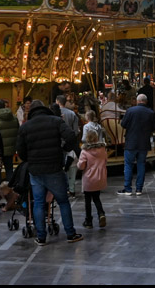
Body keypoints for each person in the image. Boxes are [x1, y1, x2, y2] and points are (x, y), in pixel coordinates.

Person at [17, 100, 83, 245]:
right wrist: (64, 149)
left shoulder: (25, 127)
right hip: (54, 168)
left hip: (35, 170)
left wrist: (30, 158)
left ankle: (41, 237)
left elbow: (21, 151)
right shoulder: (56, 121)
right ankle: (70, 234)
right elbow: (71, 136)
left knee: (38, 203)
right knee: (63, 202)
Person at [118, 94, 155, 196]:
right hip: (144, 143)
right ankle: (139, 189)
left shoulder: (130, 111)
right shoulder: (150, 113)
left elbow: (123, 124)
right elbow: (153, 127)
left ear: (137, 101)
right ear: (146, 101)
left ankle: (128, 188)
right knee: (141, 165)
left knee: (128, 165)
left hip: (131, 142)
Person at [77, 130, 107, 229]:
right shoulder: (102, 149)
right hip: (99, 177)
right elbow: (105, 160)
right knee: (96, 198)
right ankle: (101, 213)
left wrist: (78, 165)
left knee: (87, 200)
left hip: (89, 178)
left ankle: (88, 221)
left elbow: (81, 166)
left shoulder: (85, 151)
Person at [0, 99, 20, 184]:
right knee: (9, 169)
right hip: (10, 148)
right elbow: (18, 131)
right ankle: (10, 190)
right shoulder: (14, 117)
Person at [56, 95, 81, 197]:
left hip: (59, 143)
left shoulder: (54, 115)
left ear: (57, 102)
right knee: (71, 165)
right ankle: (71, 188)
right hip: (69, 143)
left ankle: (63, 187)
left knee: (61, 166)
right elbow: (75, 131)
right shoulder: (72, 114)